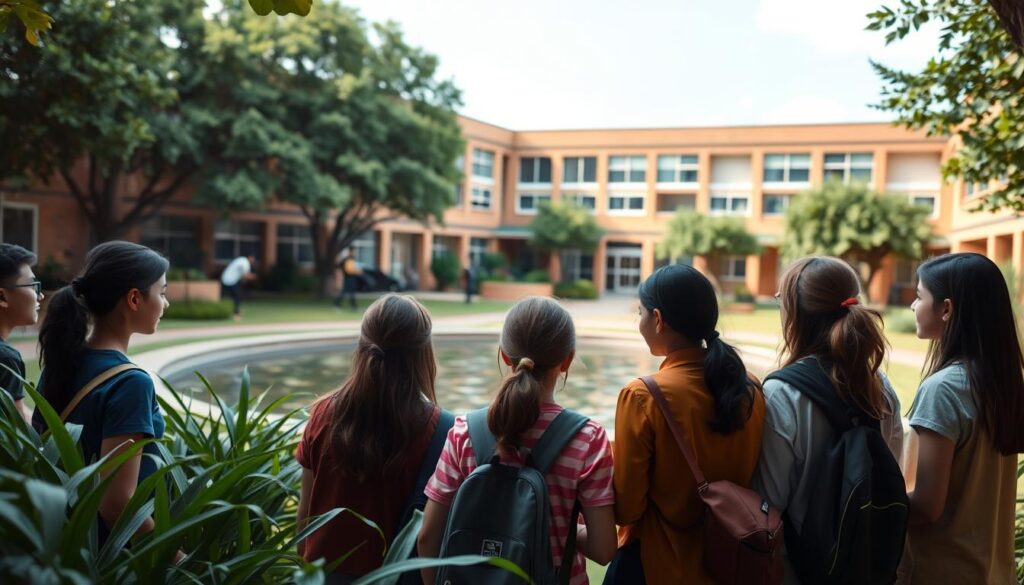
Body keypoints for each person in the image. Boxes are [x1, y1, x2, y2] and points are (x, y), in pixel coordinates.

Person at [417, 296, 617, 585]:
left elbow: (427, 537)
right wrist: (565, 528)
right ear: (567, 360)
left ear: (503, 356)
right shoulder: (588, 439)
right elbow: (603, 549)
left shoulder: (464, 432)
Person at [606, 264, 766, 585]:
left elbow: (627, 509)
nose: (639, 323)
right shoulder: (750, 388)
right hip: (729, 563)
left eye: (641, 313)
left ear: (658, 319)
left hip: (656, 566)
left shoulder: (642, 396)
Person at [750, 256, 904, 584]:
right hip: (866, 568)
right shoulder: (882, 388)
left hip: (799, 572)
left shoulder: (783, 393)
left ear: (795, 313)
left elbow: (767, 506)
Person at [296, 294, 452, 583]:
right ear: (423, 354)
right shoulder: (440, 429)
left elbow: (304, 518)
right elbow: (433, 536)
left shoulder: (321, 415)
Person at [34, 241, 175, 554]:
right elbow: (116, 505)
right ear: (135, 299)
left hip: (60, 545)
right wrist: (175, 560)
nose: (166, 304)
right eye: (162, 292)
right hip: (111, 558)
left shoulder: (60, 365)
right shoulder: (130, 383)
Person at [902, 253, 1023, 583]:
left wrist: (867, 511)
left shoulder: (943, 389)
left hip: (941, 572)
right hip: (994, 573)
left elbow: (927, 505)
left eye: (919, 296)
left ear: (946, 309)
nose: (913, 306)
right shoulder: (1004, 383)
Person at [0, 243, 42, 424]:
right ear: (2, 297)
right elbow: (20, 437)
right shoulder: (6, 359)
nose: (40, 296)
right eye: (33, 286)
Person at [220, 254, 255, 321]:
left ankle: (235, 312)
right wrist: (253, 277)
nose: (253, 260)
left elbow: (242, 275)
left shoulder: (240, 260)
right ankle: (236, 313)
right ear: (249, 257)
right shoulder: (245, 262)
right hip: (230, 281)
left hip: (225, 279)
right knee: (237, 297)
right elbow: (245, 275)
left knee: (233, 296)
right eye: (253, 258)